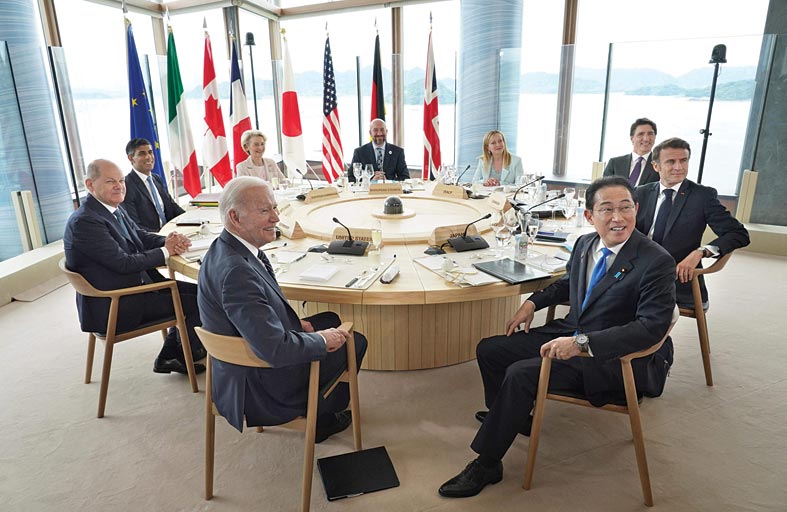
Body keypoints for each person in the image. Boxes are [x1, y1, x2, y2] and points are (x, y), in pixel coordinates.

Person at [438, 176, 676, 499]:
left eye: (625, 208)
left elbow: (650, 328)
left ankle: (488, 463)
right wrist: (532, 303)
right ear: (590, 216)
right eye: (607, 209)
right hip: (571, 330)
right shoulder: (586, 244)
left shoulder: (656, 261)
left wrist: (582, 344)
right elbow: (568, 283)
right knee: (490, 350)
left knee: (520, 374)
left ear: (636, 209)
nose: (618, 217)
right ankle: (511, 417)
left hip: (609, 358)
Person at [197, 176, 368, 441]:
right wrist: (322, 340)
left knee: (330, 318)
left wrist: (298, 326)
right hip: (262, 385)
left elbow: (255, 316)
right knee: (354, 341)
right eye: (264, 211)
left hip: (245, 363)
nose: (276, 218)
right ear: (235, 217)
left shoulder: (227, 248)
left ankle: (320, 410)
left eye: (275, 208)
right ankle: (319, 418)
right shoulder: (236, 273)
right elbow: (274, 350)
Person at [63, 159, 206, 375]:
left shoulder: (110, 209)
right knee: (199, 301)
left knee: (203, 291)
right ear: (90, 184)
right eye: (110, 181)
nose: (119, 186)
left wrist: (168, 241)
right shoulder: (86, 222)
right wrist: (166, 251)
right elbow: (124, 263)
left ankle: (174, 354)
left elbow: (139, 236)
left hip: (132, 287)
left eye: (121, 181)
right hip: (117, 304)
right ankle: (183, 353)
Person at [635, 137, 750, 308]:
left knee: (643, 305)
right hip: (638, 271)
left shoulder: (703, 196)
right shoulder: (640, 193)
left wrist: (701, 252)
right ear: (656, 166)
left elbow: (738, 234)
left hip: (677, 278)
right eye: (671, 162)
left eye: (683, 160)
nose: (679, 167)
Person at [121, 138, 186, 232]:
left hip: (171, 231)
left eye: (150, 152)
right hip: (153, 237)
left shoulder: (156, 179)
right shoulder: (126, 186)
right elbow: (134, 225)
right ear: (131, 158)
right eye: (142, 154)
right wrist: (162, 237)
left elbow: (172, 207)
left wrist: (192, 219)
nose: (148, 157)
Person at [603, 118, 660, 186]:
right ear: (632, 139)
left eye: (650, 134)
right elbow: (604, 188)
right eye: (641, 134)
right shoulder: (615, 163)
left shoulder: (659, 165)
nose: (646, 139)